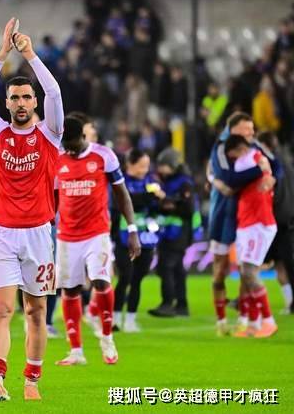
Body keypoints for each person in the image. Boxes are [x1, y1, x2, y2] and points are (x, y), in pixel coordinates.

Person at [0, 18, 64, 401]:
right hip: (1, 233)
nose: (22, 103)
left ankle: (32, 380)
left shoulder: (50, 134)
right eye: (14, 98)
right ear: (7, 103)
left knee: (36, 311)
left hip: (38, 234)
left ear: (35, 102)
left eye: (27, 97)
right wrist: (2, 54)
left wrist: (30, 55)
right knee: (1, 310)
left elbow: (54, 91)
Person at [54, 115, 140, 367]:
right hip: (67, 236)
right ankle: (76, 351)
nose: (69, 150)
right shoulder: (58, 159)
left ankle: (107, 338)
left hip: (97, 233)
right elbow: (53, 198)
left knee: (101, 282)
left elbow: (122, 193)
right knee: (70, 290)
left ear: (83, 136)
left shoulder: (104, 156)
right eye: (65, 145)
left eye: (72, 144)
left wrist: (132, 229)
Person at [207, 112, 279, 336]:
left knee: (246, 269)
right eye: (246, 129)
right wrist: (261, 171)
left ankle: (248, 319)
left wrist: (270, 175)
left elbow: (276, 166)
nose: (251, 133)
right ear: (233, 131)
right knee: (221, 271)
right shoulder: (221, 148)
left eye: (252, 129)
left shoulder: (254, 149)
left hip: (253, 218)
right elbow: (228, 179)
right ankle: (224, 322)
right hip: (224, 215)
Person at [224, 135, 278, 338]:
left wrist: (267, 175)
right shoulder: (248, 161)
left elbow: (262, 168)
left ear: (238, 149)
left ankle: (268, 321)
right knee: (245, 272)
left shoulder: (252, 157)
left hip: (259, 223)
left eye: (231, 155)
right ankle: (254, 324)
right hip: (247, 222)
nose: (230, 159)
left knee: (249, 271)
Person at [112, 149, 160, 333]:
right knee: (125, 276)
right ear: (130, 164)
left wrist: (158, 199)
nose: (144, 170)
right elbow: (128, 202)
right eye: (141, 166)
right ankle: (115, 318)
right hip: (124, 236)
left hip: (146, 237)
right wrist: (151, 197)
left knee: (138, 279)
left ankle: (131, 319)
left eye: (147, 166)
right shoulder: (121, 181)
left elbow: (156, 205)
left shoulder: (150, 181)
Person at [148, 148, 198, 317]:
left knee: (166, 267)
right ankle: (182, 305)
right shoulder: (168, 182)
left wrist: (166, 200)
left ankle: (167, 303)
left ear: (173, 165)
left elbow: (188, 209)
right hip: (169, 232)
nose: (160, 169)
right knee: (177, 269)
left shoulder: (183, 183)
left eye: (163, 165)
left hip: (178, 233)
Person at [257, 132, 294, 314]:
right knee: (280, 263)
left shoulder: (274, 166)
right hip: (284, 219)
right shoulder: (286, 161)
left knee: (284, 263)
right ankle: (290, 302)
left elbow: (276, 195)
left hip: (280, 221)